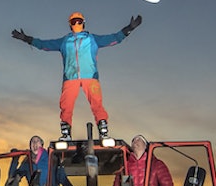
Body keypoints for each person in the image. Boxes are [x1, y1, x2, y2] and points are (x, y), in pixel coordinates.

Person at [12, 11, 141, 140]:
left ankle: (103, 132)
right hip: (71, 77)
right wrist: (26, 39)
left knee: (97, 103)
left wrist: (129, 29)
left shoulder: (92, 39)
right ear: (70, 25)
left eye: (79, 21)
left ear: (83, 23)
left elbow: (113, 38)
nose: (77, 23)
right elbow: (44, 44)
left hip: (90, 76)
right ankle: (66, 133)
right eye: (74, 22)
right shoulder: (65, 41)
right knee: (66, 105)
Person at [9, 134, 76, 186]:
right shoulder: (27, 163)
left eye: (37, 141)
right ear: (30, 146)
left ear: (42, 144)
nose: (35, 143)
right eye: (32, 141)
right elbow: (12, 177)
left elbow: (62, 179)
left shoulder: (52, 159)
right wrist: (15, 159)